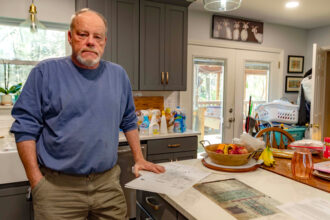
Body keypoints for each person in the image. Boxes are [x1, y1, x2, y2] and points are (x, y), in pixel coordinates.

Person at [10, 8, 165, 220]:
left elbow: (129, 120)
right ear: (70, 37)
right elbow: (25, 127)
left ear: (104, 42)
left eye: (97, 36)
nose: (90, 41)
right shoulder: (45, 73)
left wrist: (139, 158)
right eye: (83, 34)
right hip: (58, 190)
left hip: (108, 185)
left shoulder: (118, 75)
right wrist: (36, 181)